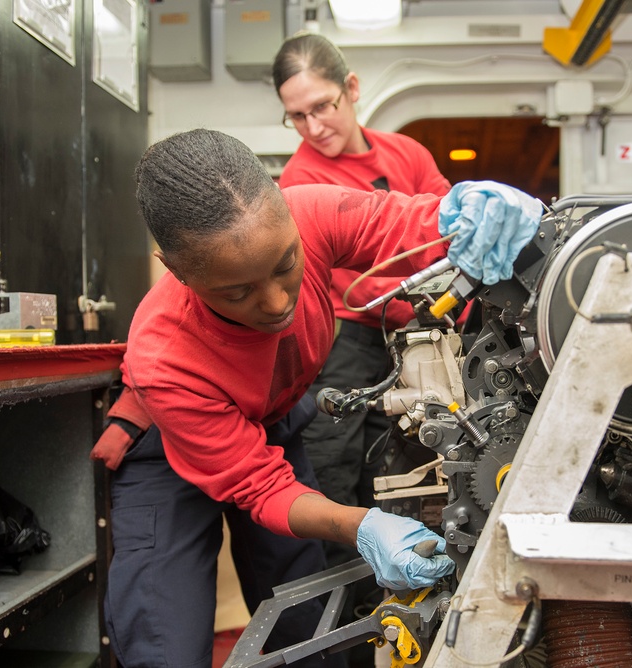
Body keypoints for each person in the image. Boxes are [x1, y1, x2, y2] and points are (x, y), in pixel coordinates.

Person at [97, 128, 542, 668]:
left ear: (288, 215)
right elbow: (258, 486)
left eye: (286, 264)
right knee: (164, 639)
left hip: (273, 423)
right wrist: (362, 526)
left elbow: (410, 224)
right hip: (167, 445)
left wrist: (469, 212)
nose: (278, 300)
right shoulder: (164, 356)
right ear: (177, 270)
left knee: (307, 623)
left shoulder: (310, 211)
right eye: (238, 292)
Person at [272, 33, 451, 528]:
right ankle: (346, 589)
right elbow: (356, 279)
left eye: (321, 106)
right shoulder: (301, 178)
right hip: (346, 339)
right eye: (297, 116)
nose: (313, 126)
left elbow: (446, 225)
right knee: (335, 463)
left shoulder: (407, 154)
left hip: (415, 334)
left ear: (350, 88)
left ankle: (395, 589)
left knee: (401, 461)